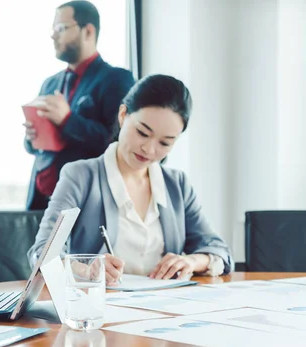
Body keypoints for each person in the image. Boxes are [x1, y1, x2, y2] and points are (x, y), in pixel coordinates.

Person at [28, 74, 233, 284]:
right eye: (142, 133)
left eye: (165, 143)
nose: (149, 149)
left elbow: (220, 251)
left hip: (167, 309)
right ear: (123, 114)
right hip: (101, 309)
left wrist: (192, 261)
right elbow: (42, 254)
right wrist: (86, 268)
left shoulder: (177, 184)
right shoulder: (80, 176)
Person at [24, 0, 135, 210]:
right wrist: (32, 137)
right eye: (53, 28)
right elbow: (33, 147)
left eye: (61, 28)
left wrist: (67, 120)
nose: (53, 35)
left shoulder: (116, 80)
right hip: (40, 203)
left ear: (88, 31)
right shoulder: (50, 83)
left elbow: (118, 143)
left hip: (86, 202)